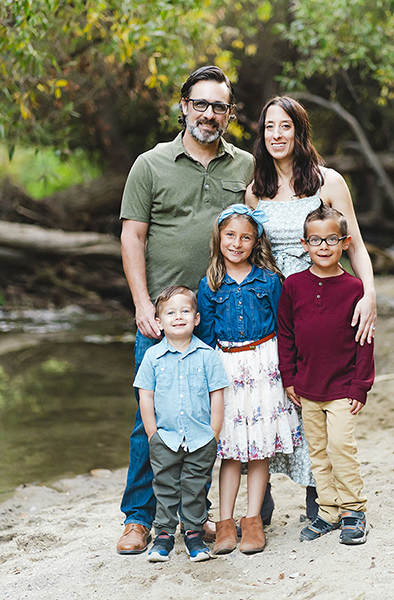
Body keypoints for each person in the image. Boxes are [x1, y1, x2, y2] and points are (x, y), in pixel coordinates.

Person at [117, 65, 254, 554]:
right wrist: (140, 305)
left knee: (231, 409)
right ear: (183, 107)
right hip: (164, 316)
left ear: (230, 113)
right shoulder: (150, 165)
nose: (209, 114)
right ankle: (139, 517)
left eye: (219, 106)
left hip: (227, 310)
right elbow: (132, 235)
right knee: (151, 417)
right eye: (201, 103)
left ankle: (235, 514)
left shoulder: (244, 166)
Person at [245, 95, 376, 520]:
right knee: (271, 396)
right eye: (269, 128)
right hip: (272, 305)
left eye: (285, 127)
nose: (276, 135)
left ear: (299, 133)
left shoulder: (329, 182)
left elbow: (354, 243)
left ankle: (319, 496)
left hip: (323, 304)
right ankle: (259, 497)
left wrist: (369, 296)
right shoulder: (255, 190)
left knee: (316, 394)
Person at [197, 204, 301, 555]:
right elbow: (206, 340)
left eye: (245, 237)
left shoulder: (269, 281)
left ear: (256, 242)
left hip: (264, 366)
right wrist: (206, 383)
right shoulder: (210, 284)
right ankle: (225, 522)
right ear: (219, 238)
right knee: (229, 450)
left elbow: (284, 328)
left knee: (259, 449)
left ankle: (252, 520)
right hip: (228, 370)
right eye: (230, 235)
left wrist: (290, 372)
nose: (237, 243)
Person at [277, 206, 375, 545]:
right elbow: (286, 334)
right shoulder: (293, 286)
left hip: (343, 388)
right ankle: (329, 511)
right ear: (305, 244)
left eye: (331, 239)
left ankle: (353, 510)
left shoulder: (354, 289)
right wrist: (289, 377)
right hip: (306, 387)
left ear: (345, 243)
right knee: (317, 451)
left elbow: (365, 341)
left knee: (340, 447)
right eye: (315, 240)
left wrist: (361, 386)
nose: (323, 246)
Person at [135, 285, 228, 562]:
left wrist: (213, 433)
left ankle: (194, 535)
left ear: (196, 319)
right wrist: (153, 434)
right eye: (171, 313)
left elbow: (217, 396)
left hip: (200, 438)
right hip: (165, 438)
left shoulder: (208, 356)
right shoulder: (152, 357)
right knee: (164, 486)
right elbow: (145, 397)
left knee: (195, 486)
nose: (178, 317)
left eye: (185, 311)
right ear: (159, 321)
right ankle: (163, 535)